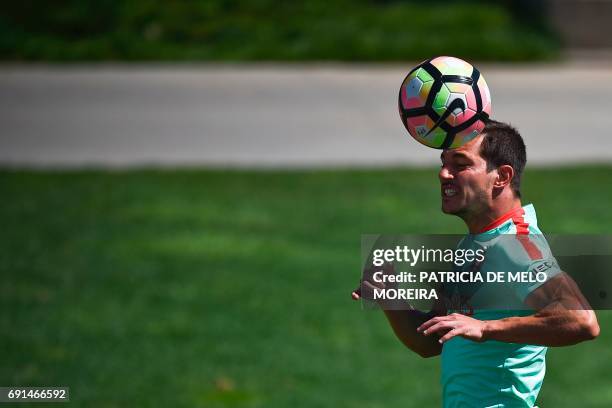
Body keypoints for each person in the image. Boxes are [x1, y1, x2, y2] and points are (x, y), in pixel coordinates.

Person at [352, 119, 600, 407]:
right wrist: (390, 299)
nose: (443, 173)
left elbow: (582, 320)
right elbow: (431, 341)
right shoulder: (476, 245)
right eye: (444, 163)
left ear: (502, 177)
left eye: (460, 164)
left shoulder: (515, 245)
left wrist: (485, 328)